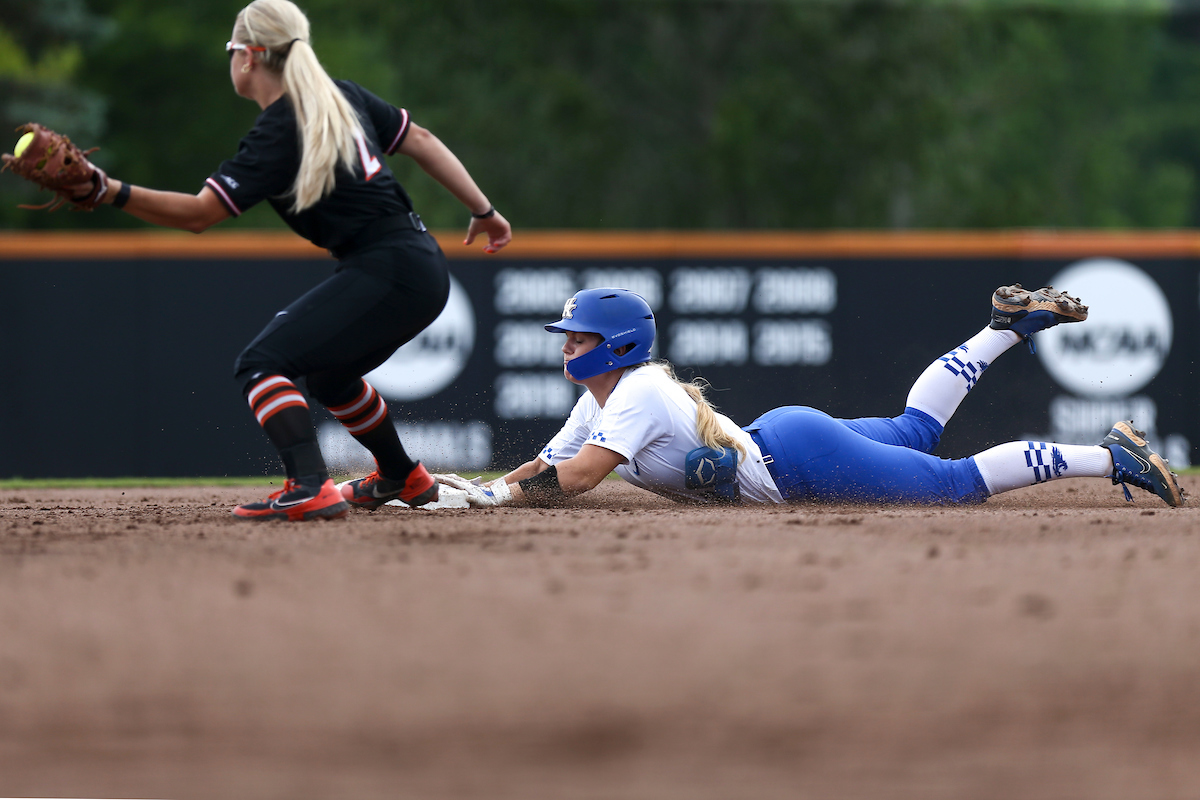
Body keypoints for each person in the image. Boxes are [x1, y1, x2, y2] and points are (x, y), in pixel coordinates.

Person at [61, 0, 511, 520]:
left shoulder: (279, 129)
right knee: (328, 378)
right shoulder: (342, 97)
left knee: (262, 363)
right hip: (421, 266)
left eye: (231, 50)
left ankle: (309, 486)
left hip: (388, 267)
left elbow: (198, 215)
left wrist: (106, 189)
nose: (230, 60)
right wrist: (485, 210)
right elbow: (423, 140)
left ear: (250, 57)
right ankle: (402, 477)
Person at [436, 285, 1185, 509]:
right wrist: (476, 490)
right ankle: (1003, 330)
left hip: (794, 464)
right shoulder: (607, 396)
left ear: (616, 345)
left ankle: (1109, 455)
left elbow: (576, 478)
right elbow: (546, 461)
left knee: (956, 482)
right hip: (784, 441)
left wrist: (484, 499)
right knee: (914, 428)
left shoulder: (630, 396)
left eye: (577, 337)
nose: (567, 346)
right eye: (566, 337)